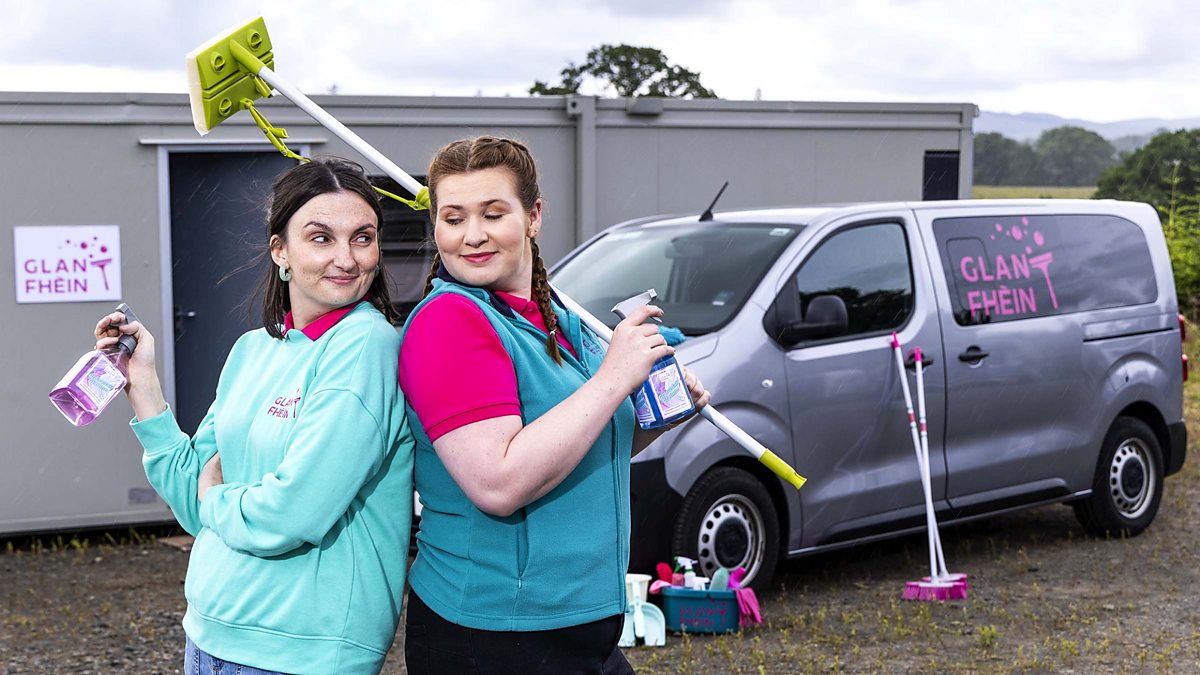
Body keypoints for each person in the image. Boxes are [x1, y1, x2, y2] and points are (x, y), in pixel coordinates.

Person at [399, 136, 711, 673]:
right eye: (453, 218)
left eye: (492, 213)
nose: (472, 235)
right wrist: (613, 379)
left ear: (534, 216)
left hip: (578, 620)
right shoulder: (449, 323)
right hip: (495, 633)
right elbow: (498, 483)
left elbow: (578, 443)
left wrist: (656, 419)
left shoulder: (559, 319)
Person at [93, 158, 415, 675]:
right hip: (208, 633)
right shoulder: (252, 350)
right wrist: (144, 386)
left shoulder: (365, 344)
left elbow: (296, 511)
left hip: (302, 649)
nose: (346, 258)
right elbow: (192, 503)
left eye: (363, 238)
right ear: (279, 250)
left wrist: (217, 496)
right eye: (320, 238)